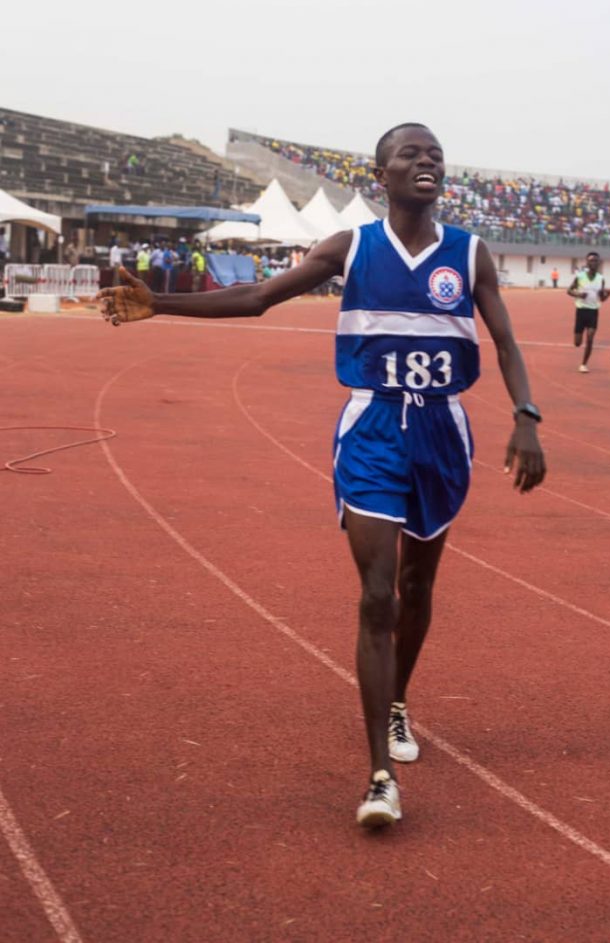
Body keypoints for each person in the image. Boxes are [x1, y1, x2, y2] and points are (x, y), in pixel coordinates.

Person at [97, 123, 546, 829]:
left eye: (434, 154)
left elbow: (508, 340)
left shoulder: (471, 252)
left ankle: (398, 701)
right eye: (410, 153)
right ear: (382, 174)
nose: (425, 161)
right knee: (376, 596)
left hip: (441, 431)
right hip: (371, 430)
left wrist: (526, 413)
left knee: (417, 585)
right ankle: (379, 775)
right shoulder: (352, 246)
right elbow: (257, 299)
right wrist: (160, 303)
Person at [566, 251, 610, 373]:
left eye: (596, 261)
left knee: (590, 337)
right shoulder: (580, 277)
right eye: (591, 260)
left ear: (599, 263)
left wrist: (608, 295)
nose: (594, 263)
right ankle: (578, 341)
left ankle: (584, 364)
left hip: (593, 311)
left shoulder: (601, 279)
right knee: (577, 342)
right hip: (581, 311)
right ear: (587, 262)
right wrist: (579, 294)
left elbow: (602, 299)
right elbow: (569, 291)